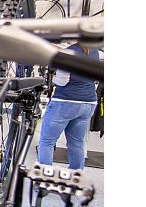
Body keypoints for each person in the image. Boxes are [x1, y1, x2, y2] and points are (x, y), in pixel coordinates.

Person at [37, 42, 101, 170]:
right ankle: (76, 178)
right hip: (88, 103)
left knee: (47, 142)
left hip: (65, 102)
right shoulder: (95, 51)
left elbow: (62, 81)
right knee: (76, 144)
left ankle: (43, 180)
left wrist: (51, 78)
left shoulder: (67, 53)